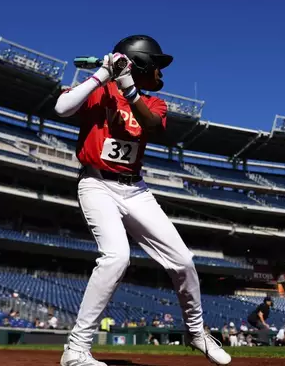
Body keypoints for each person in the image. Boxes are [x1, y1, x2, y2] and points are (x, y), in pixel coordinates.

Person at [55, 34, 230, 366]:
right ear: (141, 64)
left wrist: (129, 87)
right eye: (157, 65)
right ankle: (76, 350)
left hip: (136, 189)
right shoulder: (100, 91)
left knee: (183, 261)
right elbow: (62, 107)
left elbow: (152, 125)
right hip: (96, 184)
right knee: (116, 257)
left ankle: (196, 333)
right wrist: (103, 75)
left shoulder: (153, 103)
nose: (161, 73)